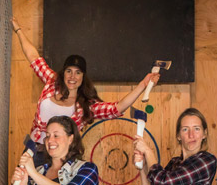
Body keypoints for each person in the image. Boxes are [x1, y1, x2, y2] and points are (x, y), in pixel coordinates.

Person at [10, 16, 160, 148]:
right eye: (69, 71)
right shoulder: (51, 82)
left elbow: (117, 108)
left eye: (78, 72)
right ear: (63, 74)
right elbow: (33, 57)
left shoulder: (86, 106)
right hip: (35, 149)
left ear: (83, 77)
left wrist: (143, 85)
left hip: (63, 157)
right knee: (22, 180)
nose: (72, 77)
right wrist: (18, 30)